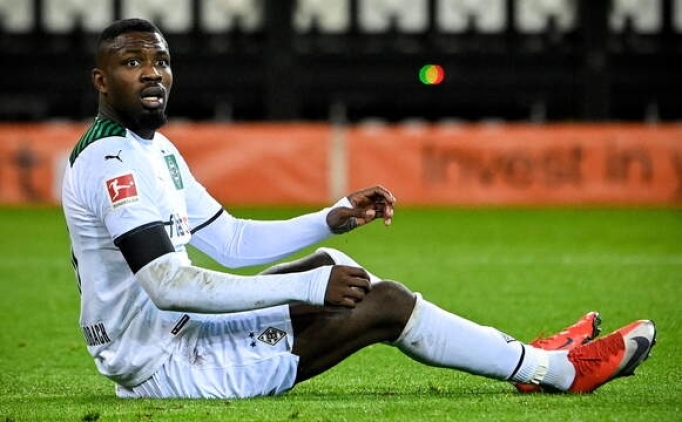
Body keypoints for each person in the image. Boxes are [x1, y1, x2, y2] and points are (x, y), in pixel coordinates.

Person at [61, 18, 656, 399]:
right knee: (384, 302)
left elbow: (232, 242)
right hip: (167, 365)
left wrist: (330, 217)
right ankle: (560, 373)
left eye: (161, 61)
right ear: (101, 80)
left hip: (176, 337)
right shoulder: (111, 162)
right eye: (132, 63)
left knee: (333, 263)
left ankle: (528, 357)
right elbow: (168, 285)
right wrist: (308, 288)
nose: (153, 74)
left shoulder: (154, 149)